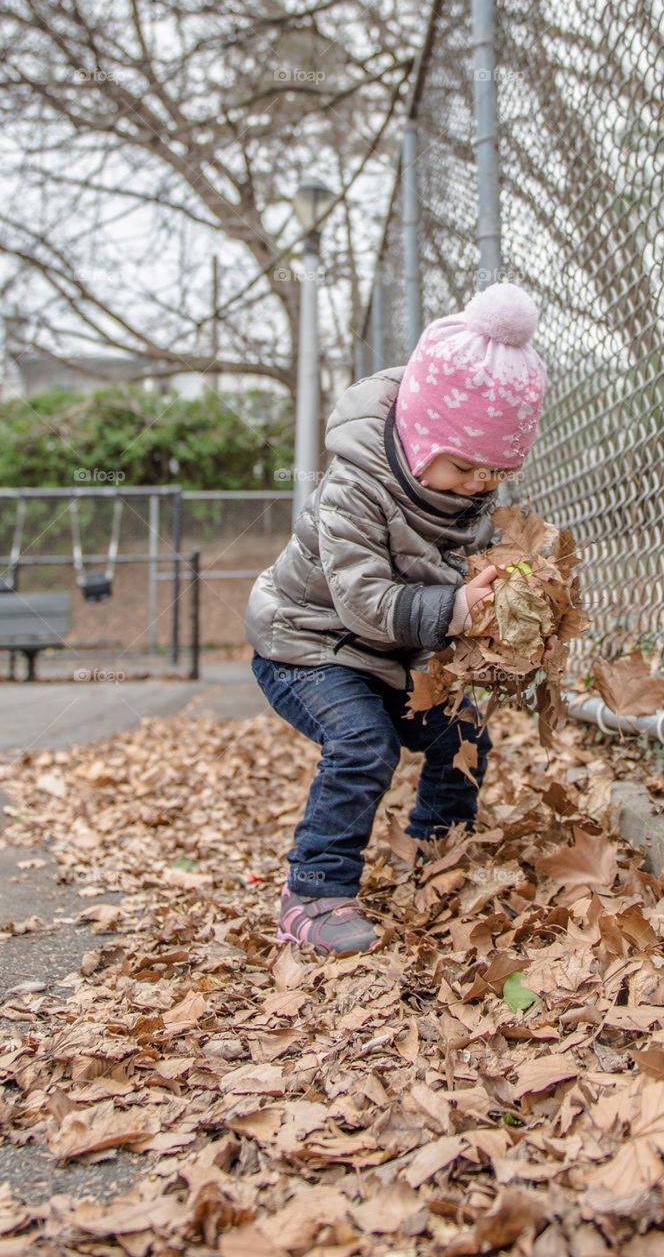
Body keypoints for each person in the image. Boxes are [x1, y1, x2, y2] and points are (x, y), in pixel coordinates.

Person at [245, 281, 548, 955]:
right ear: (418, 436)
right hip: (308, 645)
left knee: (463, 732)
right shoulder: (354, 488)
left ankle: (435, 848)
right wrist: (456, 608)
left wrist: (513, 594)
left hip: (395, 655)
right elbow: (361, 599)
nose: (478, 483)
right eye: (465, 464)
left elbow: (471, 571)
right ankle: (313, 893)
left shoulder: (469, 493)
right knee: (363, 742)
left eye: (495, 472)